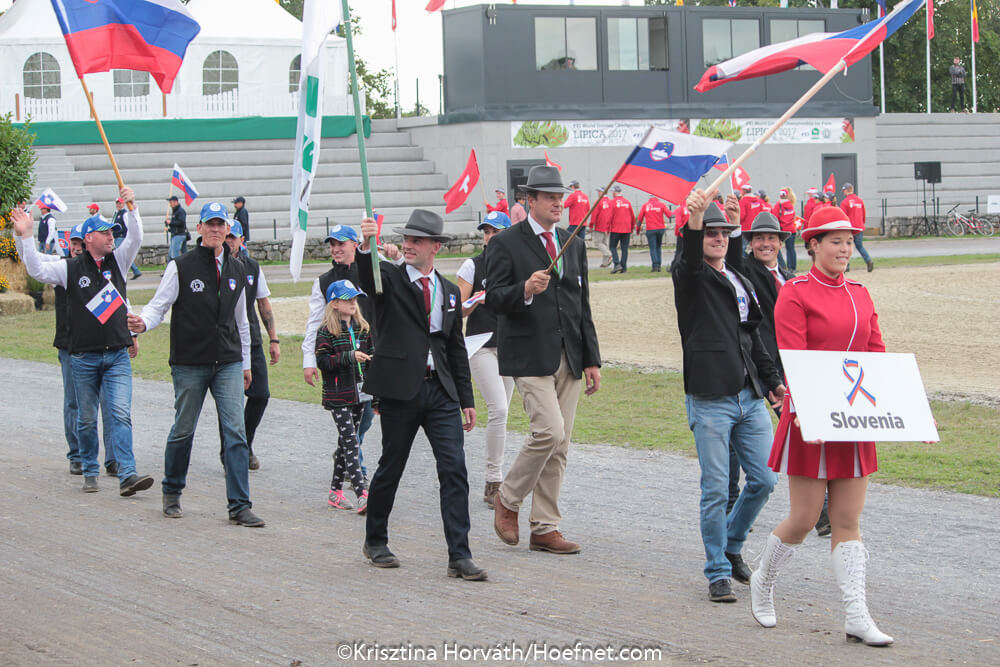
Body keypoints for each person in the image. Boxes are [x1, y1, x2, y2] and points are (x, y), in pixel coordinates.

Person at [749, 206, 893, 646]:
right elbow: (795, 358)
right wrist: (814, 411)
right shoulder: (796, 292)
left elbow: (876, 355)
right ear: (812, 245)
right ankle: (763, 579)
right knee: (804, 517)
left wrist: (900, 408)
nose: (845, 249)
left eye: (849, 242)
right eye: (836, 242)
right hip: (811, 418)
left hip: (852, 419)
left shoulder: (861, 294)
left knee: (847, 519)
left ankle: (856, 614)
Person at [355, 210, 485, 581]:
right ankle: (375, 541)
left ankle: (459, 555)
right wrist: (365, 246)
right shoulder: (390, 279)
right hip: (401, 391)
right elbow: (366, 276)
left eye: (417, 240)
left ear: (435, 246)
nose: (409, 245)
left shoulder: (448, 291)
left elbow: (455, 348)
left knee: (454, 469)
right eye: (406, 239)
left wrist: (466, 399)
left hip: (441, 392)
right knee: (391, 466)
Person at [672, 189, 784, 603]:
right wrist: (695, 219)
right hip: (710, 398)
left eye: (723, 233)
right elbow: (690, 262)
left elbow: (752, 337)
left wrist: (771, 381)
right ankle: (717, 571)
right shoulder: (689, 277)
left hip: (749, 396)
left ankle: (732, 545)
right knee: (717, 489)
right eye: (710, 233)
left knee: (765, 480)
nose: (718, 238)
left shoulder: (738, 278)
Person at [487, 165, 601, 555]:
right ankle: (507, 497)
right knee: (549, 432)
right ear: (529, 200)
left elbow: (582, 304)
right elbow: (492, 299)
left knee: (561, 443)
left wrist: (592, 358)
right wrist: (524, 289)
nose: (557, 203)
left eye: (560, 197)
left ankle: (545, 527)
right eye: (549, 197)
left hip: (570, 354)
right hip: (528, 353)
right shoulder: (505, 243)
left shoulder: (574, 244)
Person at [129, 202, 262, 527]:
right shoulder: (181, 266)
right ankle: (172, 490)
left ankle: (239, 505)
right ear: (199, 228)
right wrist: (143, 323)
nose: (215, 229)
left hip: (228, 361)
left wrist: (246, 363)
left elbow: (242, 321)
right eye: (209, 224)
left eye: (220, 224)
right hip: (190, 362)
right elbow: (159, 306)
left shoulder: (237, 269)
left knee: (235, 432)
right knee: (184, 428)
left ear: (227, 229)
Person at [13, 190, 154, 496]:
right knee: (87, 418)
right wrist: (24, 236)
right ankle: (89, 468)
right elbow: (36, 269)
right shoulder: (69, 268)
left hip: (117, 356)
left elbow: (136, 237)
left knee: (120, 413)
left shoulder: (119, 261)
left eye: (112, 233)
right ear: (89, 238)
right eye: (105, 233)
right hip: (83, 358)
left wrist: (132, 207)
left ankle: (127, 473)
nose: (111, 237)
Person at [16, 222, 123, 476]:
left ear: (87, 243)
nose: (76, 247)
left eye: (80, 243)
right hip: (69, 346)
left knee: (109, 405)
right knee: (75, 404)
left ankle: (113, 458)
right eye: (73, 243)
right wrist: (21, 235)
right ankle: (77, 455)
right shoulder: (62, 266)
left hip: (101, 344)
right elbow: (31, 260)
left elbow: (120, 300)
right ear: (69, 245)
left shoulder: (103, 266)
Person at [303, 224, 387, 481]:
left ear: (354, 244)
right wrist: (309, 360)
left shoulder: (370, 270)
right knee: (349, 415)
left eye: (341, 243)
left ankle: (344, 452)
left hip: (371, 354)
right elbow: (314, 322)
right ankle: (356, 468)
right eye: (332, 244)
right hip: (340, 359)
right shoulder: (323, 281)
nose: (336, 249)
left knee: (366, 416)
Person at [457, 211, 516, 508]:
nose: (490, 237)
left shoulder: (516, 265)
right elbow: (457, 310)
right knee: (499, 409)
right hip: (480, 344)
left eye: (495, 231)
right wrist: (476, 300)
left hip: (510, 346)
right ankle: (494, 480)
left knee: (502, 415)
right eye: (487, 232)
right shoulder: (472, 266)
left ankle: (498, 477)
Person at [217, 221, 279, 472]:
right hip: (225, 343)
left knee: (261, 395)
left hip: (251, 340)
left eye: (233, 237)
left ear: (242, 239)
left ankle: (245, 442)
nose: (229, 241)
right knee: (229, 401)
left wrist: (273, 339)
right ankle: (230, 453)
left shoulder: (252, 266)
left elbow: (263, 304)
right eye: (226, 236)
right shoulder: (215, 266)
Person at [317, 279, 372, 514]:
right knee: (351, 442)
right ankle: (362, 495)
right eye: (347, 299)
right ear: (335, 303)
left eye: (355, 298)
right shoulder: (326, 331)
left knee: (345, 443)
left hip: (361, 395)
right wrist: (349, 357)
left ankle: (335, 493)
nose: (353, 303)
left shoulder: (363, 328)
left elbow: (372, 358)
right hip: (338, 395)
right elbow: (323, 361)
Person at [840, 184, 873, 272]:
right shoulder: (860, 200)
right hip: (859, 227)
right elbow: (863, 214)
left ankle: (846, 265)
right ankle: (868, 260)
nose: (843, 192)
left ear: (846, 190)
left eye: (844, 190)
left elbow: (843, 216)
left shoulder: (845, 202)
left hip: (849, 228)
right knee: (860, 246)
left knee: (846, 247)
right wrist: (862, 223)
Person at [637, 194, 669, 272]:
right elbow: (669, 215)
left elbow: (640, 218)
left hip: (651, 229)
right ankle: (659, 265)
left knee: (653, 248)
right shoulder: (662, 205)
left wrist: (637, 229)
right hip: (661, 229)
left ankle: (655, 266)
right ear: (657, 197)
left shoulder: (645, 205)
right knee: (658, 247)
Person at [112, 197, 142, 279]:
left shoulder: (124, 214)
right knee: (123, 255)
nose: (118, 205)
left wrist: (127, 237)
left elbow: (128, 226)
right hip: (117, 237)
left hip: (121, 237)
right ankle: (136, 271)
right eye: (117, 203)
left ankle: (120, 273)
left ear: (123, 204)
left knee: (119, 255)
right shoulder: (116, 213)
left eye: (120, 203)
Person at [609, 185, 635, 274]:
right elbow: (632, 216)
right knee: (624, 249)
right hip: (626, 229)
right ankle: (624, 267)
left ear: (615, 192)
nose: (612, 194)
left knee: (612, 246)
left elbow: (609, 216)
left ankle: (617, 264)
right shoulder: (627, 202)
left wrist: (607, 227)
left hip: (616, 228)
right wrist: (632, 227)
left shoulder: (612, 202)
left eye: (613, 192)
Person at [772, 188, 798, 272]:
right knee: (791, 249)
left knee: (778, 248)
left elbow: (774, 216)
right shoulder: (790, 204)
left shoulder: (778, 204)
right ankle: (792, 267)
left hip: (783, 230)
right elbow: (793, 216)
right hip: (792, 229)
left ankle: (783, 265)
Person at [590, 187, 614, 268]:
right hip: (608, 226)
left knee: (598, 242)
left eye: (599, 191)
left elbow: (594, 214)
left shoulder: (598, 201)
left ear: (602, 192)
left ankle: (609, 254)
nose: (598, 193)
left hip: (600, 225)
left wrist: (591, 225)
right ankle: (605, 263)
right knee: (605, 243)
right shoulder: (610, 202)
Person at [668, 201, 690, 273]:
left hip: (682, 233)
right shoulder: (693, 208)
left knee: (679, 251)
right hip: (692, 232)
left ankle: (674, 268)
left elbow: (678, 223)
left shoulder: (680, 209)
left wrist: (677, 233)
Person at [165, 195, 188, 260]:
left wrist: (170, 222)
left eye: (171, 202)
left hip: (179, 235)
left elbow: (181, 223)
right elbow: (175, 225)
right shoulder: (175, 211)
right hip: (177, 234)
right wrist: (169, 228)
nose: (170, 204)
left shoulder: (180, 211)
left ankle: (175, 266)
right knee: (184, 254)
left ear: (176, 202)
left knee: (174, 255)